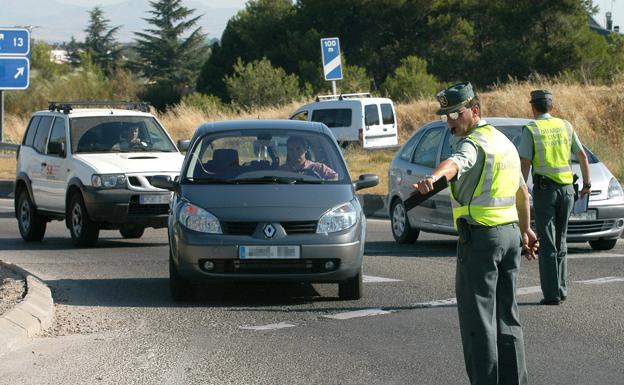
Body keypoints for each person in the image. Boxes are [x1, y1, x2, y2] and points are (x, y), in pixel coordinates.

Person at [413, 82, 538, 385]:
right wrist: (526, 230)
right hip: (509, 235)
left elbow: (455, 163)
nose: (450, 122)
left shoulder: (473, 143)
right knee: (508, 317)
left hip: (481, 238)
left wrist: (433, 177)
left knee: (478, 321)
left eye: (455, 114)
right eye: (446, 116)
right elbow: (522, 192)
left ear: (475, 110)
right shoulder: (504, 142)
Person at [518, 90, 591, 305]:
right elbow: (582, 155)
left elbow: (525, 162)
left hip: (546, 192)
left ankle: (551, 295)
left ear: (533, 108)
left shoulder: (531, 129)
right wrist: (586, 185)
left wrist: (521, 189)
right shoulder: (566, 125)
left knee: (548, 243)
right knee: (561, 240)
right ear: (552, 107)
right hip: (568, 190)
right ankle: (562, 288)